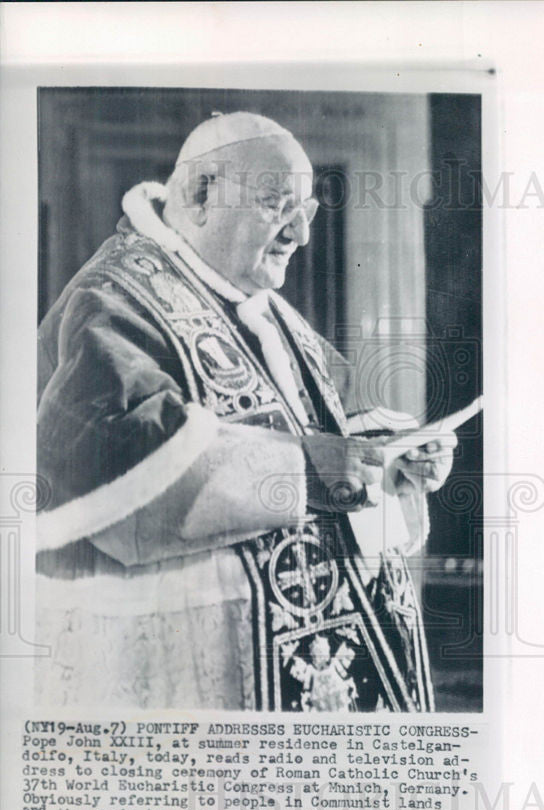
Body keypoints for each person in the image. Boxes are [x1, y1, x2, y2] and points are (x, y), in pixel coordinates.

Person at [35, 111, 457, 711]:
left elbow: (331, 433)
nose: (301, 236)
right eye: (276, 204)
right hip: (196, 674)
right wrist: (306, 473)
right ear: (202, 193)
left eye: (307, 214)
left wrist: (393, 462)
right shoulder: (115, 296)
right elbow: (111, 460)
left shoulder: (267, 311)